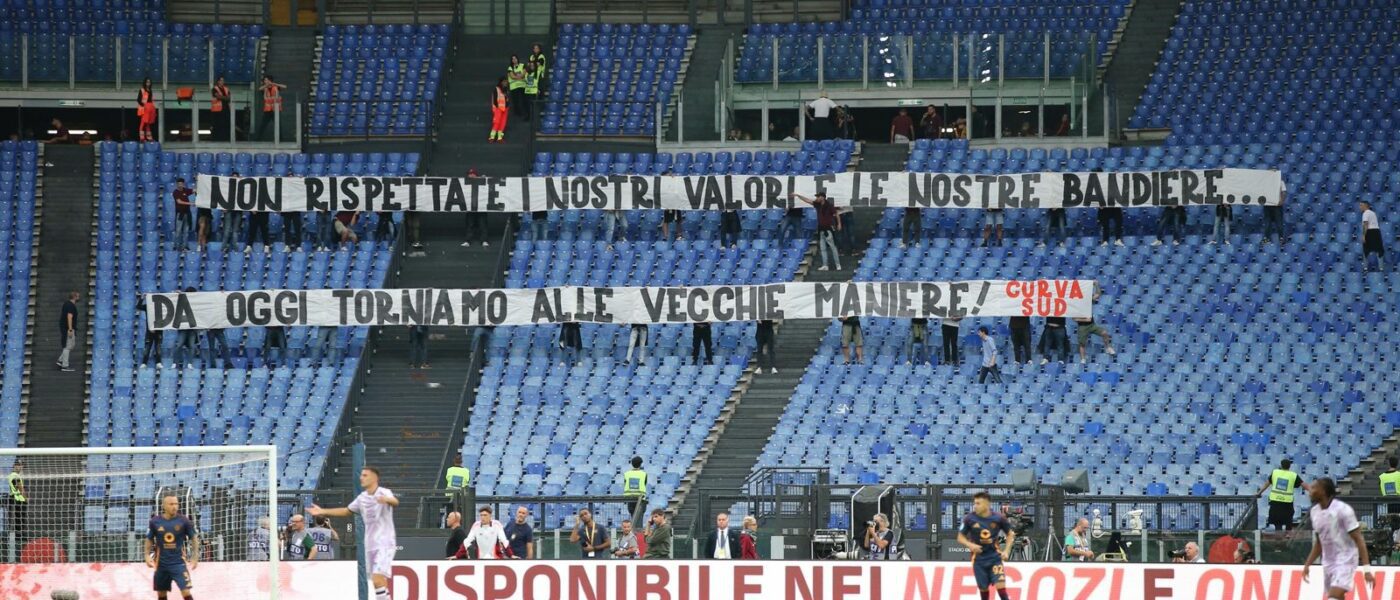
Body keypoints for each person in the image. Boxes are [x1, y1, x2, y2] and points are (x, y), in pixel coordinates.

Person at [308, 466, 398, 600]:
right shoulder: (362, 498)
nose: (361, 477)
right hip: (370, 543)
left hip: (384, 542)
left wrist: (387, 500)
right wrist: (322, 511)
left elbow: (395, 501)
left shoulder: (383, 492)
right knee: (379, 581)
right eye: (361, 475)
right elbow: (346, 511)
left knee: (377, 578)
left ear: (375, 478)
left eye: (365, 475)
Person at [1302, 477, 1374, 599]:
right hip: (1328, 562)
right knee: (1338, 597)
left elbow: (1359, 539)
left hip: (1346, 559)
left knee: (1333, 596)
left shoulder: (1343, 510)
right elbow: (1319, 542)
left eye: (1314, 488)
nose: (1310, 490)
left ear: (1323, 491)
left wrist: (1367, 569)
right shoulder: (1314, 512)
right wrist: (1307, 564)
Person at [957, 491, 1015, 600]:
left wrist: (1007, 551)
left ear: (987, 504)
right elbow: (960, 537)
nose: (975, 506)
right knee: (983, 589)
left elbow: (1010, 534)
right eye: (975, 503)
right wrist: (970, 545)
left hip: (994, 558)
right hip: (979, 560)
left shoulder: (998, 518)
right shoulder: (969, 519)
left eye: (978, 503)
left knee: (1001, 587)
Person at [145, 493, 198, 599]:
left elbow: (194, 538)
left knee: (186, 592)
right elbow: (149, 539)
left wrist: (195, 556)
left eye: (176, 504)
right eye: (171, 504)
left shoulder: (184, 521)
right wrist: (146, 555)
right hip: (161, 565)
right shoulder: (155, 521)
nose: (174, 506)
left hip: (178, 564)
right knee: (161, 594)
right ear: (164, 506)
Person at [793, 192, 841, 271]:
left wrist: (839, 224)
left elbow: (837, 214)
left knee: (833, 247)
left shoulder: (829, 205)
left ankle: (838, 264)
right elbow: (807, 200)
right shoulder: (817, 205)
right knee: (823, 248)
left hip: (828, 229)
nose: (817, 198)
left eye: (818, 197)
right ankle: (825, 265)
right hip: (821, 229)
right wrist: (798, 196)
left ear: (823, 197)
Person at [1259, 458, 1308, 530]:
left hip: (1275, 502)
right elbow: (1305, 485)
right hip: (1287, 503)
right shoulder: (1293, 475)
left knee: (1277, 523)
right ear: (1289, 466)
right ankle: (1288, 536)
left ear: (1281, 465)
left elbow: (1266, 484)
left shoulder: (1275, 472)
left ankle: (1278, 537)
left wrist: (1259, 492)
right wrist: (1314, 491)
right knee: (1288, 521)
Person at [1074, 283, 1116, 363]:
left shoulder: (1088, 301)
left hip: (1092, 325)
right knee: (1082, 344)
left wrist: (1096, 285)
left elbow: (1098, 294)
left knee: (1104, 333)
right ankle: (1083, 359)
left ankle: (1108, 348)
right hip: (1082, 327)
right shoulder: (1075, 306)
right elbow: (1074, 318)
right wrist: (1085, 320)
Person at [257, 75, 286, 142]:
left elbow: (285, 86)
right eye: (264, 80)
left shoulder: (275, 87)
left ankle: (280, 139)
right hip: (267, 110)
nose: (265, 81)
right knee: (263, 124)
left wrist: (274, 84)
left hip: (276, 109)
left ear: (270, 80)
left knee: (278, 124)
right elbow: (260, 89)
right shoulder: (265, 88)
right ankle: (258, 139)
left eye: (266, 80)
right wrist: (267, 85)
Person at [1361, 200, 1386, 272]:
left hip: (1370, 232)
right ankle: (1381, 268)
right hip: (1377, 232)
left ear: (1366, 206)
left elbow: (1366, 224)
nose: (1360, 207)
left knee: (1366, 250)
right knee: (1379, 249)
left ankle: (1365, 268)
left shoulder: (1365, 213)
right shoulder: (1373, 213)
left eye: (1361, 205)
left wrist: (1363, 235)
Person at [57, 290, 78, 372]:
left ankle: (60, 360)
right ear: (74, 297)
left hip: (65, 327)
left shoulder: (67, 304)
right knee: (67, 346)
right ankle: (65, 366)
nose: (78, 297)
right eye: (77, 296)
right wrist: (70, 329)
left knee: (70, 345)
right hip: (68, 328)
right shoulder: (70, 306)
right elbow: (69, 317)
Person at [171, 178, 194, 249]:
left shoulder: (186, 190)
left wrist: (197, 180)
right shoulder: (175, 192)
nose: (180, 185)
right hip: (180, 215)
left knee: (186, 232)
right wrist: (190, 203)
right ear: (177, 184)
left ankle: (185, 246)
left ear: (183, 184)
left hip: (187, 214)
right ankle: (176, 246)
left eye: (181, 184)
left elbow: (195, 190)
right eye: (179, 184)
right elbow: (179, 202)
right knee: (178, 231)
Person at [6, 461, 25, 542]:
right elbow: (19, 486)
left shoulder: (16, 475)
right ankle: (17, 537)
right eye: (17, 465)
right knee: (18, 518)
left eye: (20, 465)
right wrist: (25, 496)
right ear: (14, 466)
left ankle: (18, 536)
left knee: (19, 518)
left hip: (18, 498)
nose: (19, 467)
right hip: (16, 498)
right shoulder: (14, 475)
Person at [210, 76, 231, 142]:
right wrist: (225, 98)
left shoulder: (226, 89)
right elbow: (217, 96)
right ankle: (216, 139)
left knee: (225, 124)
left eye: (223, 80)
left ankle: (225, 139)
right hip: (217, 110)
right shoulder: (214, 88)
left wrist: (223, 97)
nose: (222, 82)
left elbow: (229, 98)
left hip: (226, 109)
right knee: (217, 125)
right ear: (218, 81)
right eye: (221, 80)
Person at [507, 55, 528, 121]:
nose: (514, 60)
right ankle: (518, 114)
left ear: (517, 59)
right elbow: (512, 76)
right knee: (516, 101)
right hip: (514, 87)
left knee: (524, 100)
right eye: (512, 59)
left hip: (522, 86)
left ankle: (525, 113)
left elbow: (524, 74)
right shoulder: (510, 68)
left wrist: (518, 76)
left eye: (515, 58)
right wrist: (519, 77)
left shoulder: (522, 65)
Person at [489, 77, 509, 143]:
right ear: (500, 82)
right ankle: (492, 137)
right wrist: (495, 108)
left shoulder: (506, 90)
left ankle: (499, 138)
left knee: (503, 123)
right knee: (497, 122)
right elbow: (494, 100)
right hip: (498, 108)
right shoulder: (496, 89)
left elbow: (507, 100)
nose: (505, 83)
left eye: (506, 82)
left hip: (505, 109)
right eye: (504, 82)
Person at [137, 78, 157, 143]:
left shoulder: (150, 90)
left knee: (148, 124)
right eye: (147, 82)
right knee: (143, 123)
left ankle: (149, 138)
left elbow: (151, 100)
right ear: (145, 82)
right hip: (145, 107)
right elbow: (138, 100)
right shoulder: (142, 90)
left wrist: (153, 108)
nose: (148, 83)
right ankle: (142, 138)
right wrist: (144, 106)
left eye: (149, 82)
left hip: (150, 107)